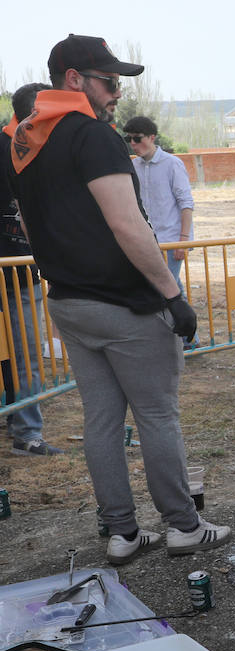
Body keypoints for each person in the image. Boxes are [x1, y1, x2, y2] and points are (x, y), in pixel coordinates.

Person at [4, 34, 229, 563]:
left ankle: (122, 533)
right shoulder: (93, 137)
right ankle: (182, 526)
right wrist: (172, 295)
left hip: (69, 301)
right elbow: (128, 224)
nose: (118, 93)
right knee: (156, 416)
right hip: (126, 304)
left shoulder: (25, 141)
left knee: (101, 421)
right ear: (74, 80)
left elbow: (30, 226)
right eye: (109, 82)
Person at [1, 82, 63, 457]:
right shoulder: (12, 150)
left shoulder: (35, 153)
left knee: (22, 356)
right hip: (13, 273)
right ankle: (27, 433)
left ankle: (23, 427)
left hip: (23, 273)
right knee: (24, 358)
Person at [123, 115, 196, 349]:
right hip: (147, 242)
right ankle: (188, 338)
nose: (133, 144)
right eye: (129, 139)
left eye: (137, 139)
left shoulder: (172, 164)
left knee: (164, 288)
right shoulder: (132, 166)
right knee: (173, 288)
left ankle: (175, 340)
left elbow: (186, 203)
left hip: (172, 241)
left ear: (152, 137)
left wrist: (183, 241)